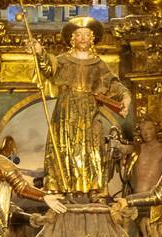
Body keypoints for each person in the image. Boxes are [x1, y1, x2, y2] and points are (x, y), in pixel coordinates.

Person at [32, 17, 131, 197]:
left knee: (94, 146)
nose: (83, 38)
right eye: (79, 35)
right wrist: (40, 52)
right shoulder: (62, 60)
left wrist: (125, 96)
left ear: (92, 38)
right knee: (65, 145)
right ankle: (62, 187)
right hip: (66, 108)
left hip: (89, 109)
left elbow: (114, 84)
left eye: (87, 34)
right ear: (73, 38)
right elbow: (47, 69)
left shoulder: (99, 63)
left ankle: (95, 189)